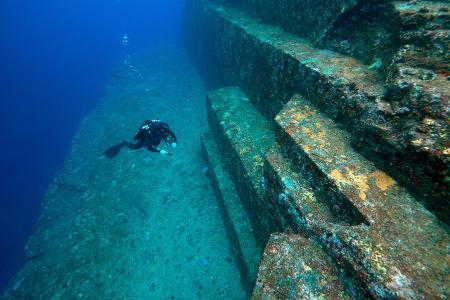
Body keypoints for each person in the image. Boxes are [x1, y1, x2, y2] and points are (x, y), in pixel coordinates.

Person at [105, 119, 177, 159]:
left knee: (165, 137)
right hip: (145, 140)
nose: (162, 131)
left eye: (163, 130)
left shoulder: (162, 129)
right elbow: (149, 148)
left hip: (154, 139)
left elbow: (171, 133)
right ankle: (124, 143)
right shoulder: (149, 135)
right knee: (134, 147)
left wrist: (174, 141)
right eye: (160, 131)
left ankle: (166, 141)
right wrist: (160, 151)